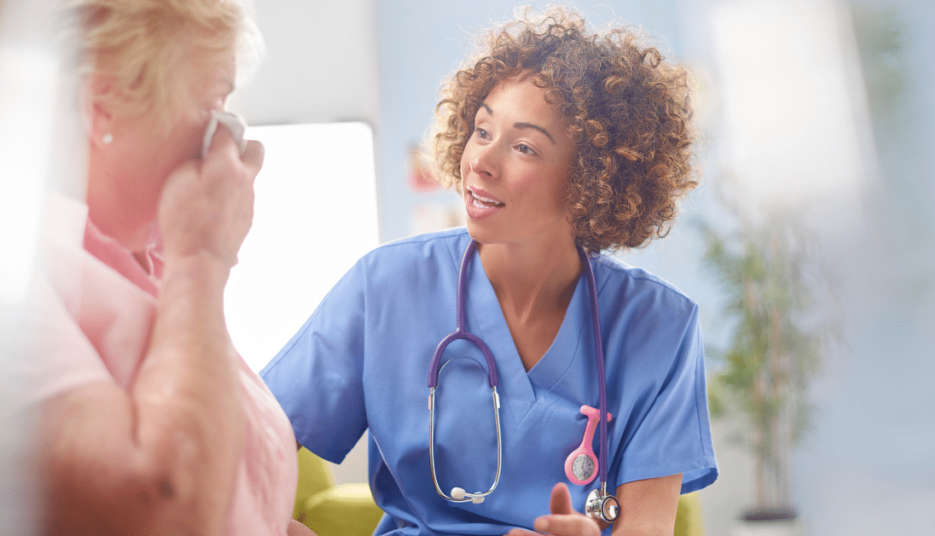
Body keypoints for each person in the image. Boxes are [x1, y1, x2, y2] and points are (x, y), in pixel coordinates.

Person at [261, 7, 717, 536]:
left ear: (595, 179)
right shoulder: (386, 286)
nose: (482, 160)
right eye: (482, 129)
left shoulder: (659, 327)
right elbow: (247, 447)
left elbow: (647, 528)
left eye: (523, 146)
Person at [15, 0, 315, 534]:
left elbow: (246, 501)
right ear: (102, 106)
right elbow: (160, 508)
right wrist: (202, 259)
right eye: (214, 104)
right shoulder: (19, 280)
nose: (231, 141)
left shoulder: (150, 270)